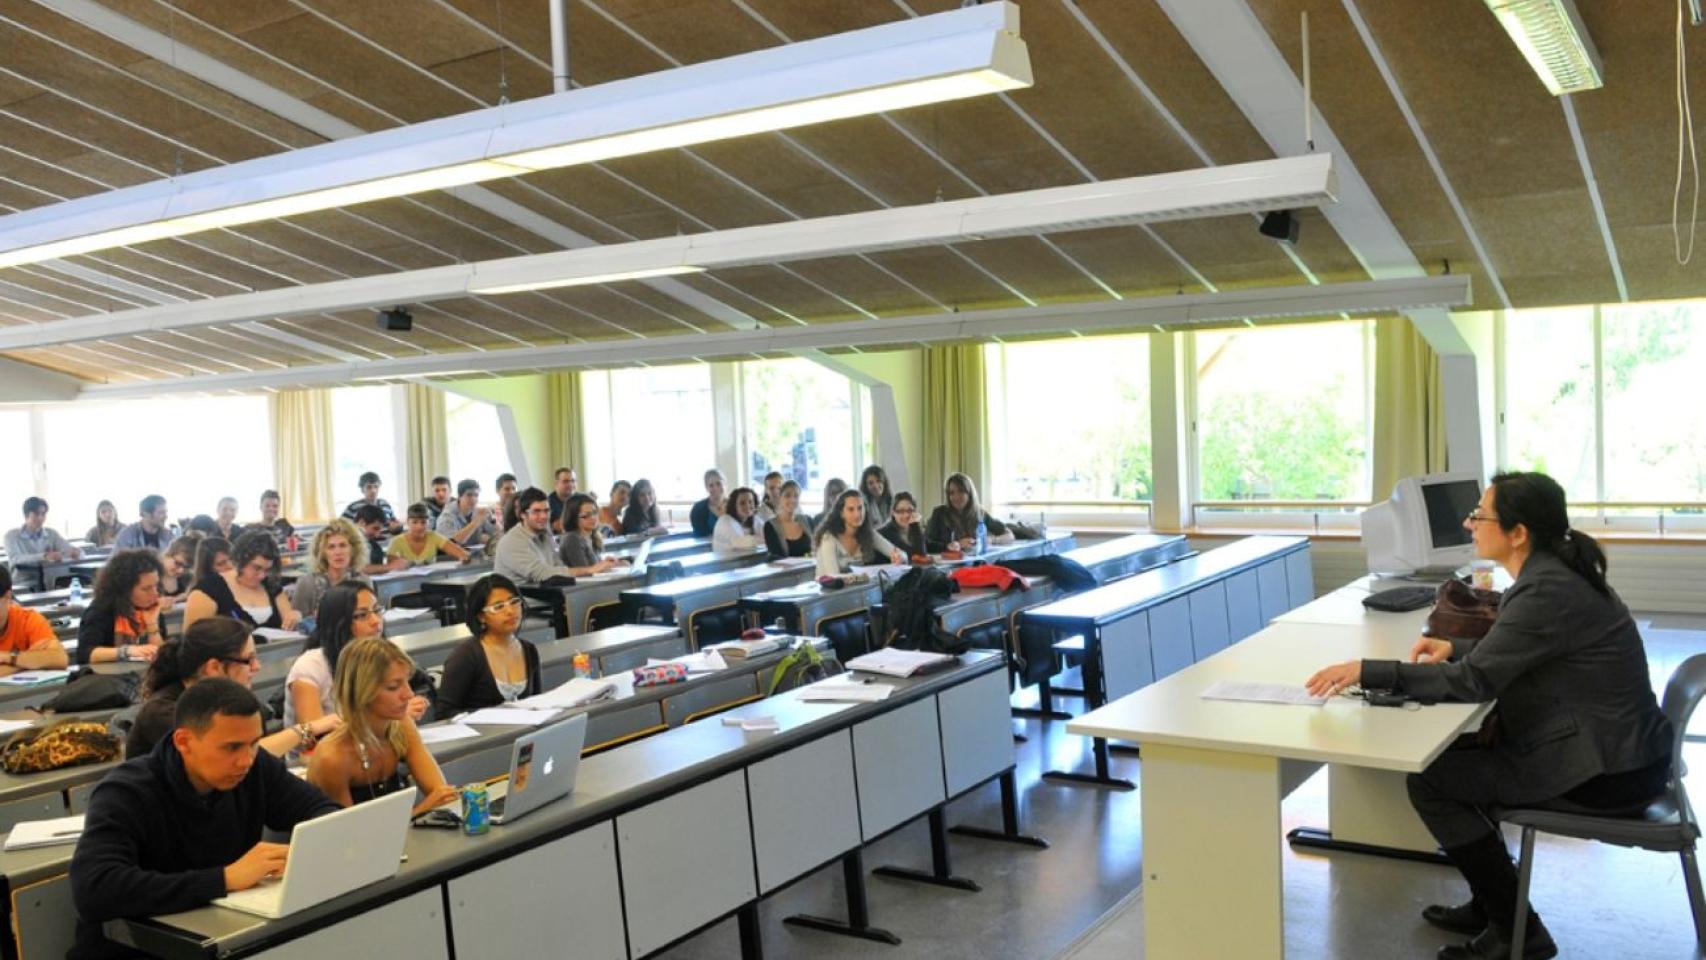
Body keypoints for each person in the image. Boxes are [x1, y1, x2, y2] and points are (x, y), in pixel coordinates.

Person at [1305, 472, 1674, 960]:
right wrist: (1455, 646)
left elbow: (1473, 683)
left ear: (1518, 532)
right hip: (1623, 753)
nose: (1468, 522)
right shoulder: (1555, 574)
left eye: (1480, 515)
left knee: (1431, 780)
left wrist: (1367, 671)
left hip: (1605, 773)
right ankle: (1492, 903)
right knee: (1453, 758)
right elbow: (1524, 650)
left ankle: (1516, 929)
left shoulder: (1545, 588)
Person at [68, 678, 340, 960]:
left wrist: (301, 852)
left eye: (255, 743)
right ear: (184, 741)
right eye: (231, 748)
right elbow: (94, 889)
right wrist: (223, 879)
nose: (246, 760)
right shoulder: (126, 792)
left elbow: (323, 811)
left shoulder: (254, 768)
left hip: (215, 941)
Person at [125, 617, 341, 759]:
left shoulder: (237, 703)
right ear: (214, 667)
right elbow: (233, 759)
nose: (257, 668)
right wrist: (306, 729)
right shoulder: (163, 713)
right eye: (249, 660)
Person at [305, 638, 460, 816]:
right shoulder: (332, 758)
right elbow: (348, 835)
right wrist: (418, 811)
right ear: (363, 693)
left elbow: (441, 794)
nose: (409, 694)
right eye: (393, 687)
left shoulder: (400, 725)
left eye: (407, 681)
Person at [287, 582, 428, 730]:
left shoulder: (383, 656)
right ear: (338, 623)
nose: (375, 621)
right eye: (361, 615)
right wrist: (391, 718)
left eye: (377, 610)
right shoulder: (310, 667)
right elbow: (312, 739)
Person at [437, 573, 542, 715]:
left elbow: (537, 703)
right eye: (498, 607)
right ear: (481, 617)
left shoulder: (529, 650)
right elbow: (444, 713)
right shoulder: (465, 657)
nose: (510, 611)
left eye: (514, 601)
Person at [182, 530, 300, 633]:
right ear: (239, 560)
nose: (262, 576)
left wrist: (294, 617)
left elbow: (288, 624)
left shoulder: (271, 587)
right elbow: (192, 640)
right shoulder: (208, 589)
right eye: (256, 568)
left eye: (267, 569)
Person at [76, 549, 170, 665]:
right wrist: (126, 651)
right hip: (109, 678)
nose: (155, 593)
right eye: (146, 589)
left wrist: (152, 624)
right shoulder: (101, 610)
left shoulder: (151, 608)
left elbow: (162, 658)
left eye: (156, 585)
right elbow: (85, 654)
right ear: (125, 590)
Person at [288, 519, 364, 628]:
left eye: (343, 545)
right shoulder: (307, 583)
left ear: (353, 550)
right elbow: (297, 626)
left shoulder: (362, 581)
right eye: (331, 547)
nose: (338, 552)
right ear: (323, 553)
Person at [493, 488, 576, 585]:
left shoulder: (545, 534)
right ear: (523, 514)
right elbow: (542, 574)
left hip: (543, 593)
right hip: (518, 597)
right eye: (536, 511)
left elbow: (559, 567)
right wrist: (590, 570)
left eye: (546, 511)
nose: (543, 516)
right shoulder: (511, 541)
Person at [814, 489, 904, 576]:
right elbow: (833, 576)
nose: (857, 514)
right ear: (841, 513)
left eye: (860, 508)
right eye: (851, 509)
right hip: (831, 590)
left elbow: (901, 554)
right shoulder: (828, 538)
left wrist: (899, 557)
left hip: (856, 589)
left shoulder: (868, 533)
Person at [0, 566, 69, 675]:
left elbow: (60, 659)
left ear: (7, 597)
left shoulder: (28, 619)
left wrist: (9, 657)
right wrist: (28, 660)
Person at [5, 496, 81, 592]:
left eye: (43, 514)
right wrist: (44, 556)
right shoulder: (11, 536)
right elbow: (15, 559)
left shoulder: (51, 533)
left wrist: (75, 552)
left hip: (51, 582)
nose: (41, 518)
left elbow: (67, 548)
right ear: (27, 514)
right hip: (23, 584)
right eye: (36, 514)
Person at [925, 473, 1013, 553]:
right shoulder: (939, 513)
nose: (956, 497)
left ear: (970, 494)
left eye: (961, 491)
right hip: (947, 565)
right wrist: (955, 545)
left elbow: (1009, 535)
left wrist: (992, 540)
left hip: (975, 563)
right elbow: (926, 544)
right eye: (951, 493)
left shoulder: (980, 513)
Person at [386, 503, 469, 567]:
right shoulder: (396, 541)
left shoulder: (433, 536)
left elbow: (459, 552)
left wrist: (463, 556)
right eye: (415, 522)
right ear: (408, 522)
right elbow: (391, 566)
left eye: (423, 522)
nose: (419, 527)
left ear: (429, 522)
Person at [558, 493, 622, 575]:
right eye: (586, 516)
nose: (593, 518)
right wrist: (602, 566)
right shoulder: (572, 539)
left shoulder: (592, 536)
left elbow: (594, 567)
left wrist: (606, 563)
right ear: (574, 518)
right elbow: (586, 572)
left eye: (594, 512)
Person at [436, 479, 500, 549]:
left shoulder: (478, 512)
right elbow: (453, 543)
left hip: (473, 554)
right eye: (469, 495)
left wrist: (493, 520)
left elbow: (500, 534)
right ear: (459, 496)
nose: (473, 499)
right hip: (448, 557)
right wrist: (477, 522)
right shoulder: (447, 516)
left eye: (476, 495)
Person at [763, 480, 812, 560]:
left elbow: (813, 551)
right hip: (784, 571)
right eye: (787, 496)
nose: (792, 500)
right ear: (780, 498)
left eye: (796, 496)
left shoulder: (807, 520)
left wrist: (807, 558)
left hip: (808, 569)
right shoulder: (770, 525)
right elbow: (776, 556)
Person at [712, 487, 761, 556]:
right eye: (742, 503)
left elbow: (768, 534)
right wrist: (762, 539)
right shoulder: (725, 521)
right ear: (734, 506)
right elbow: (741, 543)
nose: (747, 505)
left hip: (746, 561)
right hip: (726, 564)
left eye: (750, 501)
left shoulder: (755, 519)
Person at [877, 492, 927, 559]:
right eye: (901, 511)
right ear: (893, 513)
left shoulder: (914, 528)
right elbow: (910, 556)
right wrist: (915, 527)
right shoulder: (885, 532)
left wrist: (915, 526)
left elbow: (922, 557)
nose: (906, 515)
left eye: (910, 510)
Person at [354, 504, 402, 574]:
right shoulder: (345, 543)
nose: (377, 535)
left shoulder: (375, 548)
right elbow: (357, 569)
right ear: (361, 523)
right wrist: (391, 566)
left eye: (379, 530)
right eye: (375, 528)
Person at [689, 469, 726, 538]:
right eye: (711, 485)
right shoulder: (698, 509)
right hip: (706, 547)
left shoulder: (735, 506)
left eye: (719, 483)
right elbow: (699, 535)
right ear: (706, 487)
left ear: (724, 484)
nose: (715, 488)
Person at [547, 467, 579, 534]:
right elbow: (559, 526)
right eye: (566, 481)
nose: (570, 484)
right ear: (556, 484)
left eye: (573, 481)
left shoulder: (580, 499)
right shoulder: (547, 503)